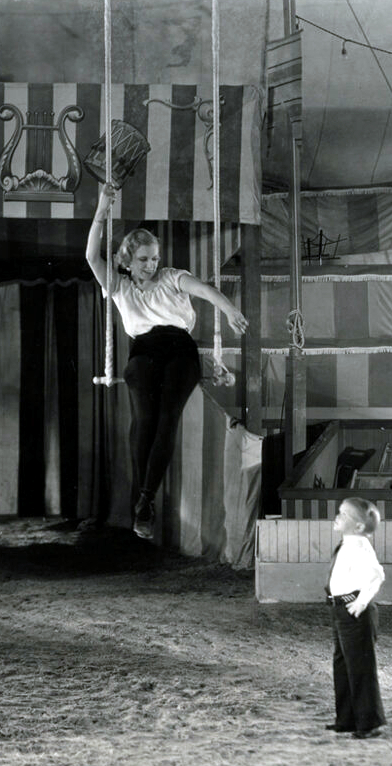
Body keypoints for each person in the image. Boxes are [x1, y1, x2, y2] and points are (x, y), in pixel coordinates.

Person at [86, 182, 249, 539]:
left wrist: (230, 309)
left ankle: (146, 500)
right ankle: (142, 501)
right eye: (143, 259)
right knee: (143, 419)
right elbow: (90, 257)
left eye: (155, 258)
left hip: (179, 351)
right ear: (128, 261)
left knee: (166, 419)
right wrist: (102, 207)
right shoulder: (120, 287)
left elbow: (205, 291)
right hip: (142, 352)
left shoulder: (173, 278)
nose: (151, 265)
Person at [326, 496, 387, 740]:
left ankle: (369, 723)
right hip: (340, 609)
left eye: (344, 514)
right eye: (339, 512)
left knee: (360, 668)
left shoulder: (360, 545)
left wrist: (361, 603)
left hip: (355, 612)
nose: (337, 517)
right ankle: (347, 720)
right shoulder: (348, 543)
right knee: (343, 664)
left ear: (360, 527)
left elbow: (376, 576)